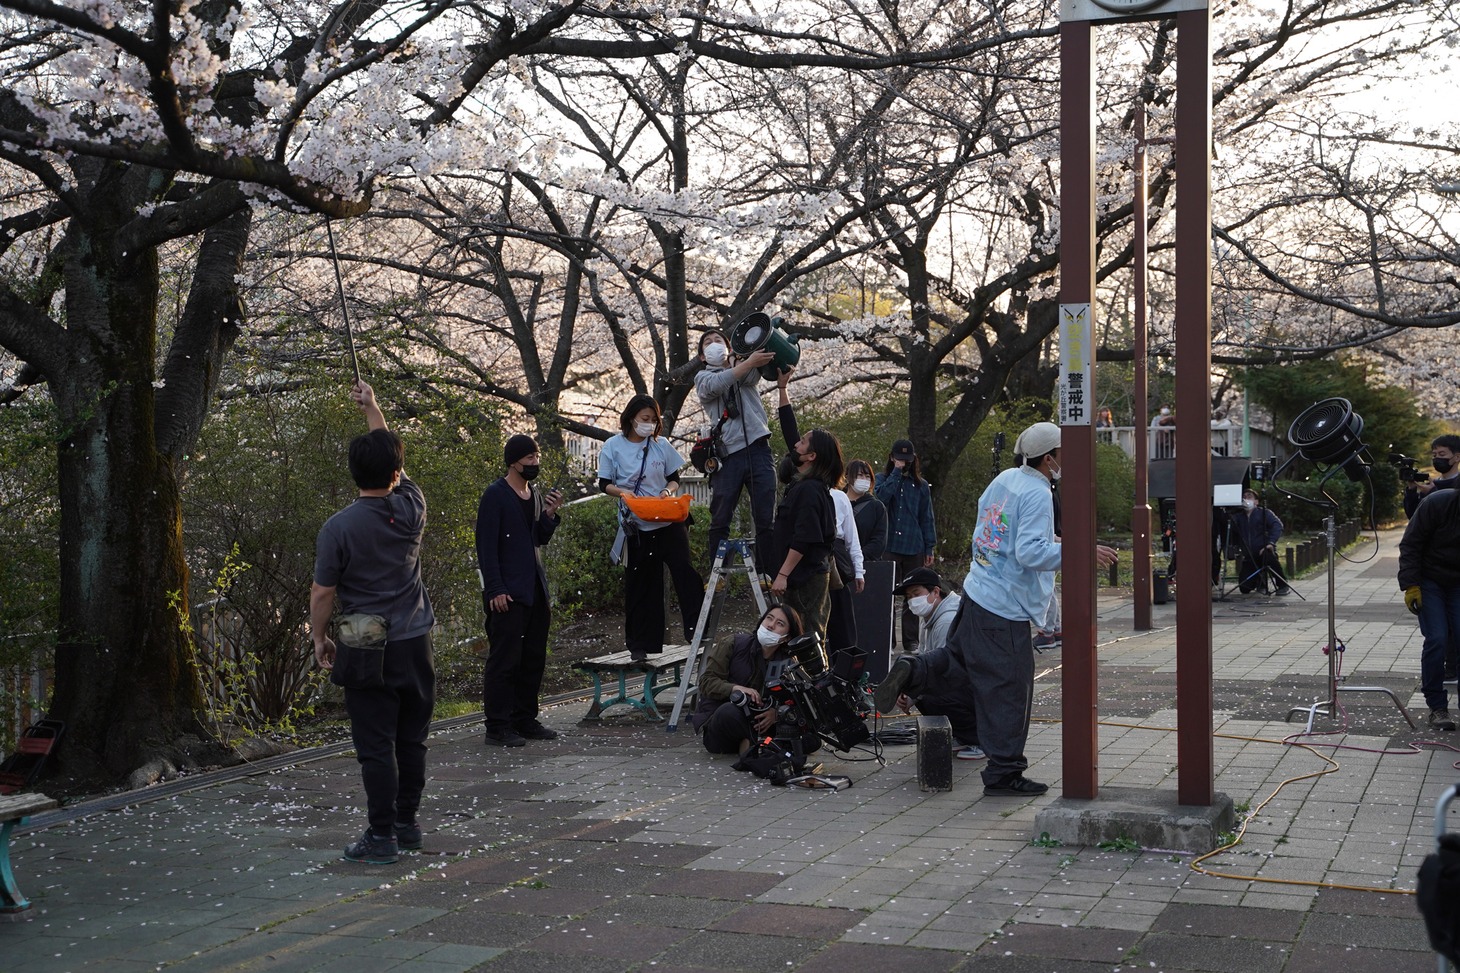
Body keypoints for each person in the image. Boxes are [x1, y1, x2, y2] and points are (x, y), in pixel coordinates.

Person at [875, 421, 1118, 796]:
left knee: (958, 664)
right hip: (1005, 608)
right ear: (1049, 458)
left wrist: (1060, 541)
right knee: (1009, 691)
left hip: (976, 592)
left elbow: (998, 529)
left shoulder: (1005, 479)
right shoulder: (1038, 493)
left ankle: (916, 668)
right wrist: (1080, 551)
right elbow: (1030, 551)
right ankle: (1004, 773)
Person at [311, 380, 436, 864]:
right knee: (412, 739)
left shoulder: (338, 527)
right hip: (415, 639)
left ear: (351, 472)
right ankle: (406, 824)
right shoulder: (411, 509)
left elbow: (324, 592)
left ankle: (380, 835)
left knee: (375, 744)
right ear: (396, 472)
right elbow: (394, 465)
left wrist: (319, 638)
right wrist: (374, 410)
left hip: (364, 642)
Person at [598, 394, 705, 661]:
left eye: (653, 420)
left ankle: (696, 628)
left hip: (667, 518)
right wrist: (622, 493)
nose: (649, 424)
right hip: (636, 522)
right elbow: (603, 483)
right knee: (642, 583)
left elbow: (674, 478)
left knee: (684, 571)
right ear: (631, 418)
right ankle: (640, 645)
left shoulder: (661, 445)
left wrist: (668, 493)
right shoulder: (613, 446)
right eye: (645, 419)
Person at [476, 434, 565, 747]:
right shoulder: (495, 495)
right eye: (529, 458)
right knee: (504, 660)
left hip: (534, 589)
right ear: (513, 461)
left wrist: (550, 515)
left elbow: (537, 538)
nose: (535, 463)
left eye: (537, 456)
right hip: (507, 594)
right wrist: (495, 589)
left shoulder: (535, 493)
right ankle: (497, 726)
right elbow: (486, 547)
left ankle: (525, 719)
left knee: (533, 658)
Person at [694, 329, 779, 568]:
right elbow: (718, 384)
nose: (713, 345)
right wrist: (743, 363)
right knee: (721, 517)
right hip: (728, 454)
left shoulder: (744, 366)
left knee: (765, 518)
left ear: (729, 346)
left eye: (717, 341)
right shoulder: (702, 378)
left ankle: (768, 573)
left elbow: (751, 377)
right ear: (702, 356)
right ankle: (717, 572)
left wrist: (741, 360)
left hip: (759, 448)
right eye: (707, 343)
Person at [888, 567, 982, 760]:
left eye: (917, 594)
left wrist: (914, 693)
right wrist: (908, 692)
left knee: (930, 695)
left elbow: (945, 670)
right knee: (921, 692)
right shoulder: (929, 617)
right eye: (908, 596)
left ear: (936, 592)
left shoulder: (947, 619)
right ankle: (963, 736)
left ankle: (979, 740)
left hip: (975, 689)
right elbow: (924, 660)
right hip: (963, 684)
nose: (912, 601)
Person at [692, 604, 807, 756]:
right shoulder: (733, 643)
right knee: (727, 712)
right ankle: (760, 744)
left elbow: (801, 701)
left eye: (780, 624)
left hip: (761, 724)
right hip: (725, 727)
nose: (771, 626)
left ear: (787, 637)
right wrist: (735, 689)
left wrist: (776, 714)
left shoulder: (788, 664)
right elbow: (706, 682)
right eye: (769, 619)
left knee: (809, 738)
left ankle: (758, 744)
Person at [770, 428, 842, 644]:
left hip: (805, 579)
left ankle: (815, 679)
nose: (795, 446)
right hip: (804, 577)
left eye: (802, 442)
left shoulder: (809, 490)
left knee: (808, 641)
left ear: (811, 456)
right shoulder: (805, 487)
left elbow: (804, 539)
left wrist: (783, 574)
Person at [1400, 487, 1460, 731]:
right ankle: (1437, 706)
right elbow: (1411, 544)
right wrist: (1411, 584)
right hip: (1429, 578)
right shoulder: (1436, 503)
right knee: (1437, 637)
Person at [875, 439, 937, 652]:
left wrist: (930, 547)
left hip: (914, 544)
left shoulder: (920, 486)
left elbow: (926, 517)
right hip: (889, 544)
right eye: (899, 459)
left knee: (913, 593)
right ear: (892, 458)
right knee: (887, 594)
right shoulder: (882, 479)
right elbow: (881, 498)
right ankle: (888, 640)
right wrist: (896, 473)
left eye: (907, 460)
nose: (904, 463)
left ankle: (911, 640)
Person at [1231, 489, 1291, 596]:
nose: (1246, 499)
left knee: (1268, 557)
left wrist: (1270, 543)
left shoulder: (1264, 513)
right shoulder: (1239, 517)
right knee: (1244, 588)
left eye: (1249, 496)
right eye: (1244, 497)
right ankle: (1260, 582)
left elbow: (1277, 526)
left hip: (1263, 550)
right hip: (1249, 556)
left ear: (1256, 501)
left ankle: (1282, 584)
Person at [1404, 434, 1460, 519]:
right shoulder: (1430, 485)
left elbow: (1452, 516)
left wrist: (1432, 493)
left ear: (1457, 457)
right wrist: (1411, 490)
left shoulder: (1456, 485)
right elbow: (1413, 516)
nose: (1436, 458)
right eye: (1434, 455)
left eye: (1442, 454)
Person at [845, 459, 888, 561]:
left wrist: (857, 557)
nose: (864, 479)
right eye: (860, 475)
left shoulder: (877, 507)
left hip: (866, 564)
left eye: (868, 476)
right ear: (847, 477)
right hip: (838, 563)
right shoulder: (836, 501)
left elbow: (879, 541)